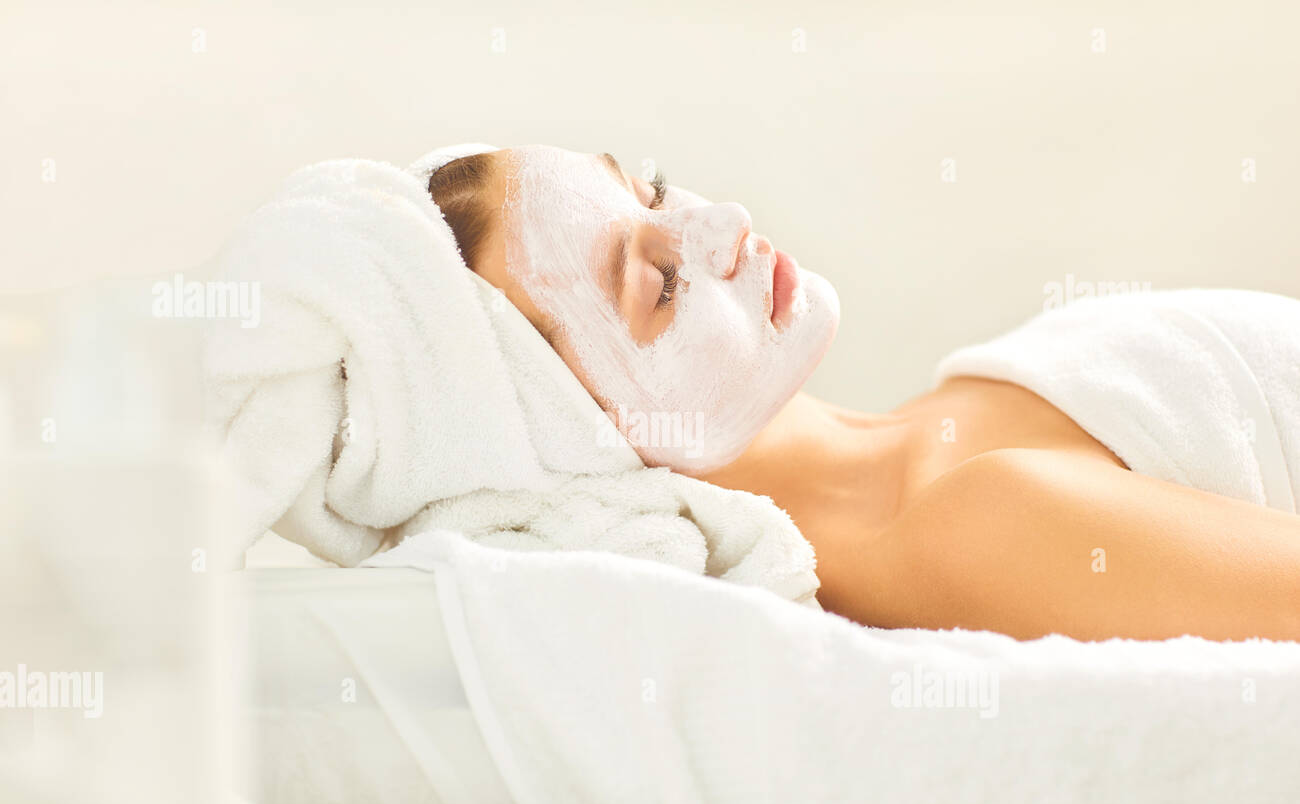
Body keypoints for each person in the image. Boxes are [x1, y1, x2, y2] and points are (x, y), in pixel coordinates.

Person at [426, 144, 1300, 642]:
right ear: (580, 439)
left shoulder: (959, 406)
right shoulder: (973, 523)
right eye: (657, 283)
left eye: (651, 189)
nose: (724, 222)